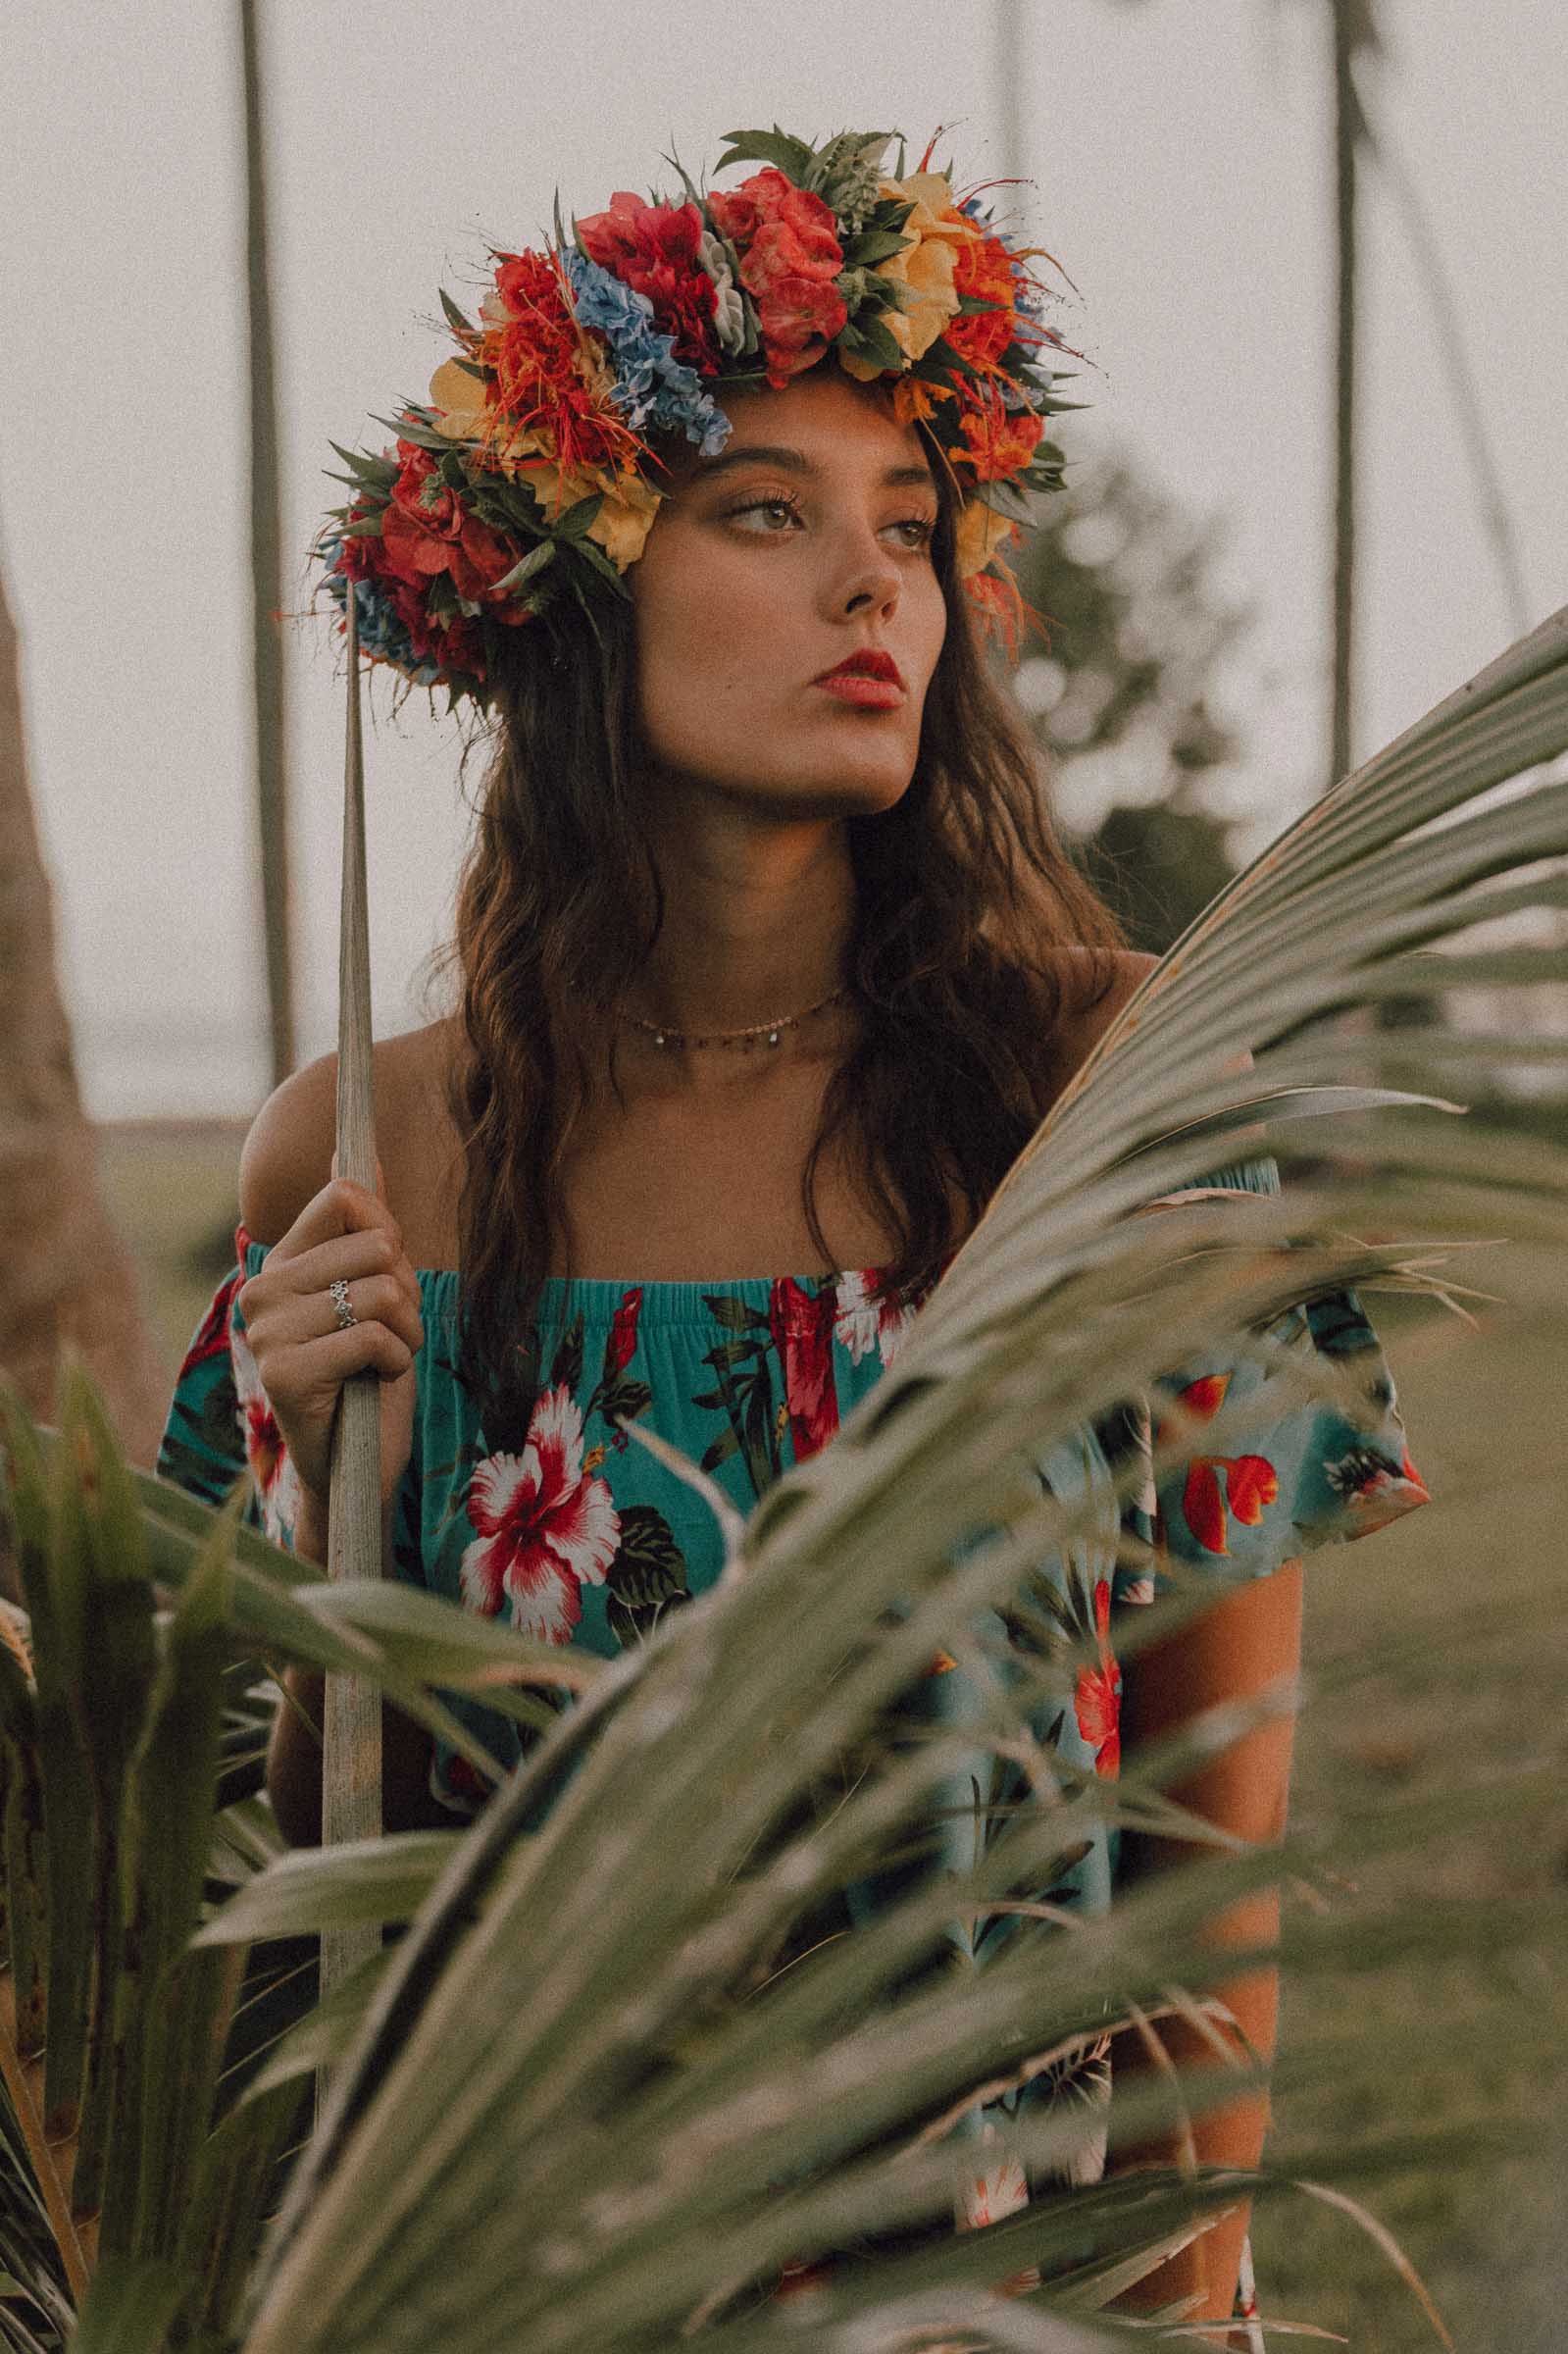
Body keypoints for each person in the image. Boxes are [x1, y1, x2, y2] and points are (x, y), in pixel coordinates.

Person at [157, 127, 1428, 2336]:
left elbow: (1205, 1860)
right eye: (767, 512)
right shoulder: (369, 1160)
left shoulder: (1111, 1105)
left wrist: (1187, 2296)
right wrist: (310, 1497)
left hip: (983, 2296)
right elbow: (314, 1874)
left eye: (909, 532)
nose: (876, 590)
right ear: (565, 598)